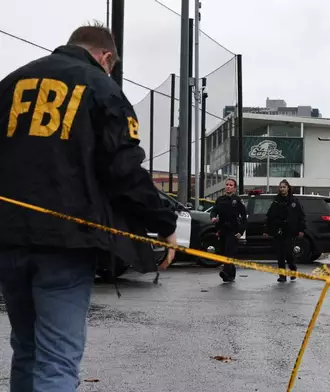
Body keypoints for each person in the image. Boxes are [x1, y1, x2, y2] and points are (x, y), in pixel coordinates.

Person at [0, 23, 178, 392]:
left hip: (8, 237)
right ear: (106, 57)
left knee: (26, 349)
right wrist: (163, 222)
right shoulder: (100, 87)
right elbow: (123, 168)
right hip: (66, 241)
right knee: (57, 359)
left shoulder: (11, 83)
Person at [264, 180, 306, 282]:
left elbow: (301, 216)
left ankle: (293, 269)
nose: (282, 189)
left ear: (288, 188)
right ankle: (282, 275)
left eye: (284, 187)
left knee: (288, 253)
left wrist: (301, 229)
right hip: (279, 230)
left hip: (290, 230)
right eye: (281, 187)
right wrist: (267, 229)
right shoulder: (276, 201)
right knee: (280, 254)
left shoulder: (294, 201)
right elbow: (269, 216)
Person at [210, 177, 247, 282]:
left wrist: (241, 231)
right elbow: (214, 211)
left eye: (231, 185)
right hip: (222, 229)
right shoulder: (220, 199)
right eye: (227, 185)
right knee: (223, 252)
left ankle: (225, 272)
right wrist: (213, 217)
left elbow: (244, 217)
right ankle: (231, 274)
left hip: (233, 230)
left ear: (234, 188)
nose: (228, 187)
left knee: (229, 252)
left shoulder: (238, 200)